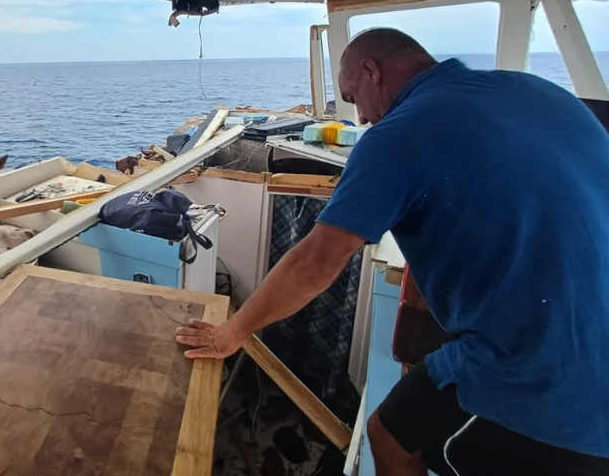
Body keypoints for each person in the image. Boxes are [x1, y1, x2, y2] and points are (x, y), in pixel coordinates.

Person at [176, 28, 609, 475]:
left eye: (352, 96)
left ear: (371, 71)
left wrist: (233, 332)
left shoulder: (398, 136)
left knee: (390, 438)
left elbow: (317, 262)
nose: (360, 118)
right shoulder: (537, 90)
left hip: (554, 385)